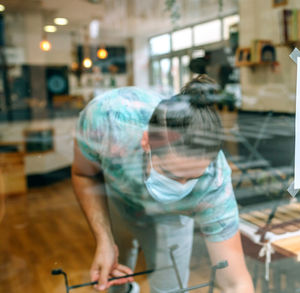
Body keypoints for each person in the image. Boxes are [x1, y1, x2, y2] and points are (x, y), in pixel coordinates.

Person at [71, 75, 254, 292]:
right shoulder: (108, 119)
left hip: (172, 220)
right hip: (119, 202)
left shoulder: (214, 182)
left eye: (191, 178)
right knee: (115, 283)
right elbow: (84, 175)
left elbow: (235, 282)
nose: (180, 185)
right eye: (169, 173)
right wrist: (103, 239)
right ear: (146, 141)